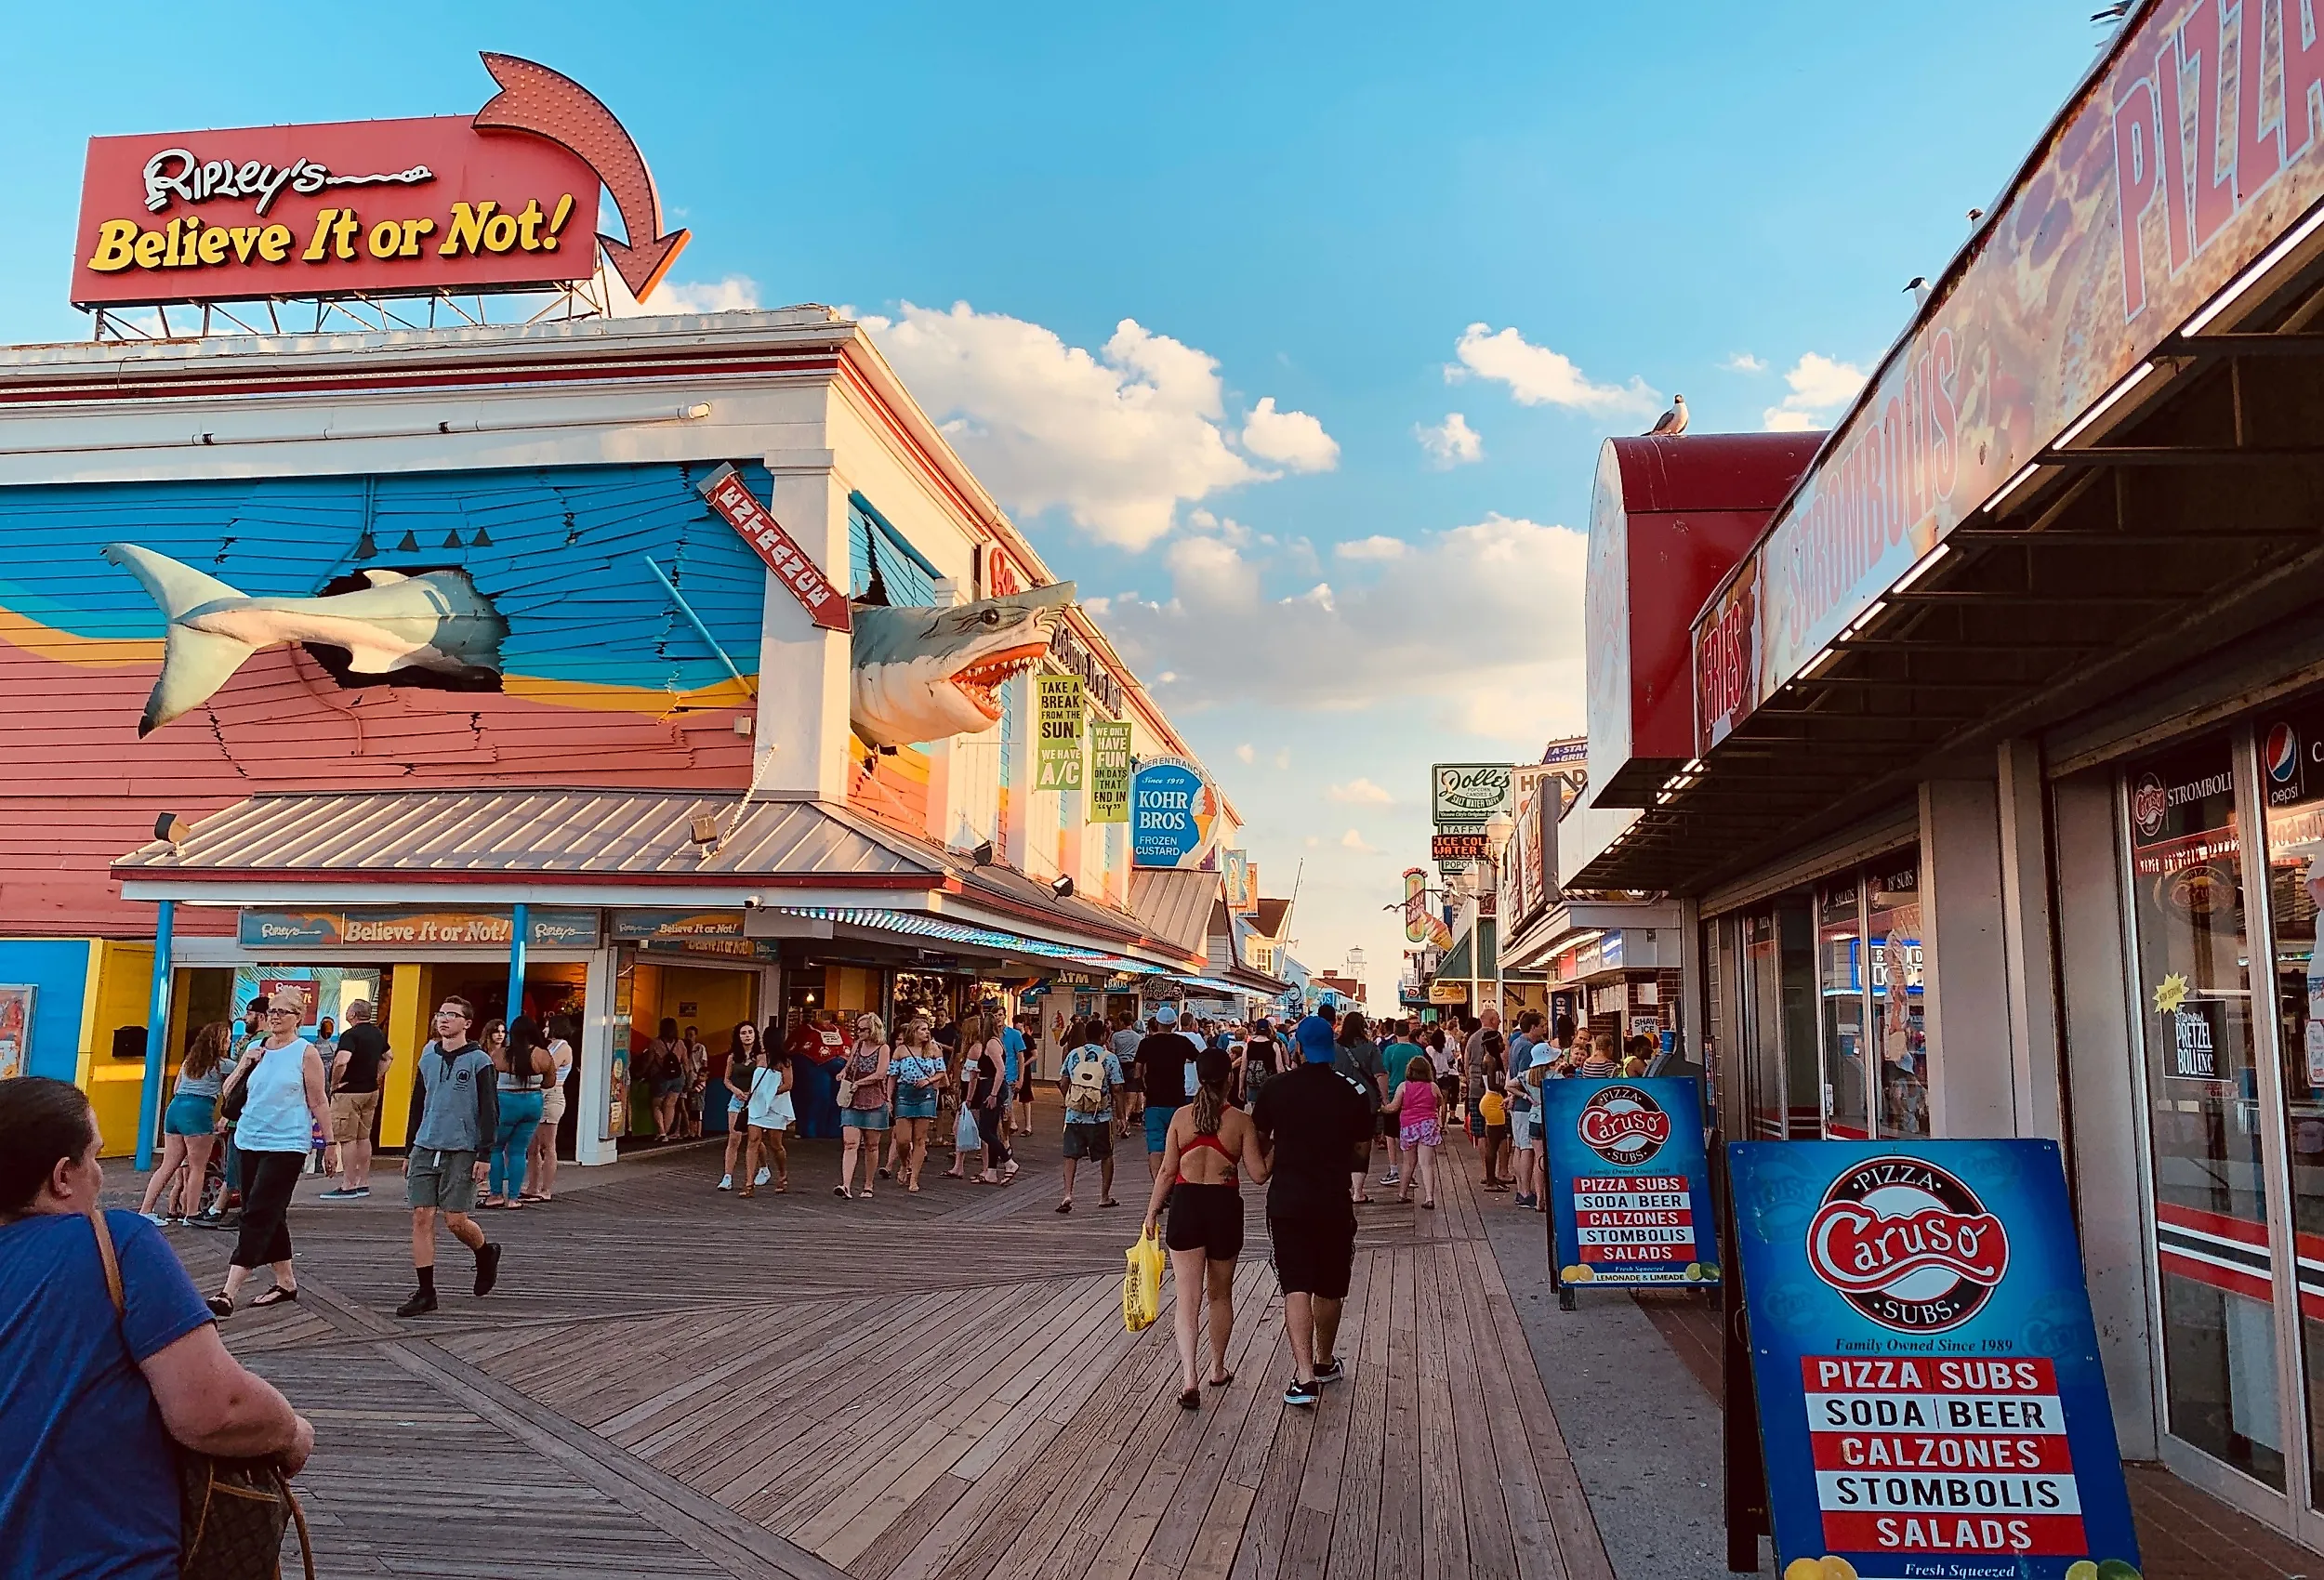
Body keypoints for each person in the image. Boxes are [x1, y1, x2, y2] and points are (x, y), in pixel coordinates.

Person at [0, 1077, 314, 1578]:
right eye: (95, 1156)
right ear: (63, 1176)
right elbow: (216, 1409)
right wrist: (291, 1431)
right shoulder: (116, 1242)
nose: (100, 1173)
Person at [1252, 1015, 1372, 1408]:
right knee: (1331, 1284)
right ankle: (1323, 1361)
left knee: (1296, 1284)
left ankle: (1303, 1378)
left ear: (1298, 1048)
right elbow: (1361, 1154)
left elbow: (1260, 1141)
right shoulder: (1352, 1092)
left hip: (1287, 1199)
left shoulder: (1276, 1089)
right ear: (1331, 1046)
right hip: (1333, 1200)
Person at [1142, 1047, 1267, 1411]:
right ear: (1229, 1079)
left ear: (1198, 1078)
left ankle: (1189, 1378)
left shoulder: (1181, 1118)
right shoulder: (1241, 1122)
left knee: (1187, 1298)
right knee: (1220, 1295)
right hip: (1224, 1207)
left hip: (1185, 1206)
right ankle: (1218, 1367)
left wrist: (1151, 1214)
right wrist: (1276, 1150)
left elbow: (1167, 1172)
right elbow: (1259, 1175)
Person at [207, 998, 329, 1316]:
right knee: (263, 1209)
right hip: (249, 1139)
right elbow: (229, 1093)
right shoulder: (258, 1049)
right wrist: (246, 1063)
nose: (275, 1017)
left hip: (287, 1143)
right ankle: (286, 1282)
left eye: (282, 1012)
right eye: (272, 1012)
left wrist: (330, 1144)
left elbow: (318, 1101)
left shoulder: (306, 1052)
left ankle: (228, 1291)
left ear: (298, 1018)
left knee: (258, 1213)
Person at [398, 997, 502, 1318]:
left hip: (463, 1148)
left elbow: (489, 1110)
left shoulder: (479, 1061)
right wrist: (408, 1148)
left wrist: (485, 1154)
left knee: (455, 1220)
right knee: (421, 1216)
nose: (444, 1020)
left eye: (452, 1016)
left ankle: (484, 1252)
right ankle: (426, 1291)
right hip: (426, 1145)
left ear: (467, 1023)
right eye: (441, 1014)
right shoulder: (428, 1055)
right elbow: (418, 1102)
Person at [138, 1020, 230, 1224]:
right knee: (198, 1168)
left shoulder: (189, 1061)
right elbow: (235, 1087)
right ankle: (192, 1214)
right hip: (198, 1111)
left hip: (175, 1108)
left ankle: (146, 1210)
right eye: (228, 1039)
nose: (230, 1042)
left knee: (167, 1165)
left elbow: (176, 1087)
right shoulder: (224, 1065)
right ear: (220, 1041)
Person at [318, 996, 391, 1201]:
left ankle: (348, 1184)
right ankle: (363, 1182)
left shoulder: (350, 1035)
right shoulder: (378, 1034)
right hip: (370, 1091)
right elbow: (389, 1056)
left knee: (347, 1138)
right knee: (363, 1137)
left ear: (353, 1015)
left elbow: (342, 1061)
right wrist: (377, 1075)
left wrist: (334, 1083)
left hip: (348, 1092)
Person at [1056, 1017, 1126, 1213]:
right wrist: (1121, 1116)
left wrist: (1070, 1100)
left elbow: (1063, 1082)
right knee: (1106, 1156)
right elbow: (1117, 1088)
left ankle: (1067, 1193)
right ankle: (1104, 1196)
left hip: (1074, 1115)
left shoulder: (1073, 1055)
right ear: (1104, 1035)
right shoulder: (1109, 1058)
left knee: (1070, 1155)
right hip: (1100, 1116)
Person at [488, 1017, 557, 1211]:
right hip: (533, 1102)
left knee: (496, 1147)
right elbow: (549, 1083)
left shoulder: (500, 1054)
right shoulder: (542, 1055)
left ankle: (495, 1195)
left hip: (506, 1102)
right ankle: (513, 1198)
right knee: (518, 1151)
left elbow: (489, 1080)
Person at [1135, 1006, 1202, 1180]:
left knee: (1156, 1145)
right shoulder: (1182, 1042)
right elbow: (1201, 1060)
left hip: (1154, 1102)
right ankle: (1177, 1182)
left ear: (1156, 1023)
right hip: (1177, 1100)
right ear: (1174, 1024)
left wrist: (1143, 1090)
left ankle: (1159, 1185)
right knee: (1179, 1143)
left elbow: (1137, 1071)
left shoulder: (1146, 1043)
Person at [836, 1012, 892, 1200]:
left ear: (873, 1029)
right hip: (852, 1097)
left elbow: (880, 1073)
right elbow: (849, 1065)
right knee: (850, 1143)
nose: (858, 1033)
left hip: (874, 1099)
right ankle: (846, 1185)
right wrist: (843, 1073)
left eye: (862, 1030)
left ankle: (868, 1184)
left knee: (871, 1145)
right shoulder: (857, 1045)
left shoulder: (883, 1048)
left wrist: (860, 1083)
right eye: (857, 1029)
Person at [1333, 1010, 1387, 1205]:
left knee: (1340, 1143)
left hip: (1338, 1100)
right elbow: (1380, 1074)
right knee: (1362, 1146)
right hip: (1366, 1101)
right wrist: (1385, 1100)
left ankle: (1340, 1186)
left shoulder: (1334, 1047)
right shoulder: (1370, 1047)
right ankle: (1358, 1192)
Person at [888, 1017, 946, 1193]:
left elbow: (941, 1072)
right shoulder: (901, 1050)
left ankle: (914, 1178)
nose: (927, 1032)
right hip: (905, 1092)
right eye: (922, 1029)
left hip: (926, 1093)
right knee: (903, 1140)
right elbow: (892, 1075)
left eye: (928, 1029)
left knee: (920, 1138)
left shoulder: (933, 1049)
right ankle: (905, 1163)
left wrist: (929, 1080)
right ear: (913, 1031)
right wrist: (888, 1098)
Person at [523, 1013, 575, 1203]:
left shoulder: (563, 1047)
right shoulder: (550, 1046)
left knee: (548, 1146)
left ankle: (545, 1189)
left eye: (547, 1026)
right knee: (532, 1146)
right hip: (539, 1095)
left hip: (552, 1096)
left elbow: (547, 1067)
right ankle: (532, 1186)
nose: (544, 1029)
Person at [1385, 1053, 1443, 1208]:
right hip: (1428, 1125)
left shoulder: (1403, 1086)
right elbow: (1439, 1101)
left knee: (1408, 1163)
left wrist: (1382, 1107)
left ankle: (1402, 1194)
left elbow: (1394, 1107)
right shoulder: (1433, 1086)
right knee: (1427, 1164)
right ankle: (1429, 1198)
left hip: (1409, 1126)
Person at [1375, 1020, 1427, 1194]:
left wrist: (1383, 1098)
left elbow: (1385, 1073)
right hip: (1414, 1097)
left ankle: (1394, 1169)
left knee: (1391, 1134)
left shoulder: (1390, 1050)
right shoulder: (1417, 1050)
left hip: (1393, 1093)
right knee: (1410, 1135)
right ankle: (1410, 1172)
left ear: (1395, 1032)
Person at [962, 1014, 1014, 1185]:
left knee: (985, 1130)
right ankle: (991, 1171)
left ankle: (1009, 1161)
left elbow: (1000, 1070)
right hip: (988, 1084)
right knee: (991, 1129)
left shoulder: (991, 1043)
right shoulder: (993, 1042)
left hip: (992, 1088)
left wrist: (993, 1094)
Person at [738, 1042, 794, 1196]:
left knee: (775, 1144)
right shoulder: (759, 1058)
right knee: (753, 1140)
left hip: (776, 1106)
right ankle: (749, 1184)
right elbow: (755, 1081)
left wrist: (770, 1093)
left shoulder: (784, 1062)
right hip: (757, 1104)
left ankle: (782, 1175)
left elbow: (788, 1084)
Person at [719, 1020, 765, 1192]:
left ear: (755, 1035)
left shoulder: (761, 1056)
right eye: (743, 1033)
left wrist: (752, 1092)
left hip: (755, 1100)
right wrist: (735, 1090)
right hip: (737, 1098)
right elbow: (726, 1079)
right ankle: (727, 1176)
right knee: (734, 1137)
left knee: (754, 1138)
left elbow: (763, 1079)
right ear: (738, 1036)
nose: (747, 1036)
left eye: (750, 1032)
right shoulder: (732, 1057)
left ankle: (764, 1167)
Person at [1504, 1010, 1543, 1210]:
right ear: (1533, 1027)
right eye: (1541, 1025)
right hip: (1527, 1105)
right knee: (1527, 1148)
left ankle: (1521, 1189)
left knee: (1519, 1147)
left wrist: (1511, 1096)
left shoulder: (1516, 1043)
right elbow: (1526, 1078)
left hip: (1517, 1105)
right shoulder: (1528, 1048)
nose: (1543, 1029)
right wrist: (1524, 1096)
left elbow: (1513, 1075)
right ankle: (1526, 1191)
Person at [643, 1018, 685, 1142]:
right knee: (670, 1105)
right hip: (679, 1077)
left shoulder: (655, 1043)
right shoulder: (680, 1043)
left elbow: (649, 1061)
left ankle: (661, 1132)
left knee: (657, 1104)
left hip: (661, 1076)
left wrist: (642, 1072)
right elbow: (686, 1063)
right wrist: (687, 1079)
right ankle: (665, 1134)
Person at [681, 1024, 712, 1139]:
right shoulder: (684, 1047)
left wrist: (703, 1076)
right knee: (686, 1104)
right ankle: (688, 1130)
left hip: (697, 1076)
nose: (689, 1037)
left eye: (691, 1035)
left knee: (696, 1110)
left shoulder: (700, 1048)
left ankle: (697, 1132)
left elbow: (704, 1063)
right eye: (687, 1035)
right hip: (687, 1076)